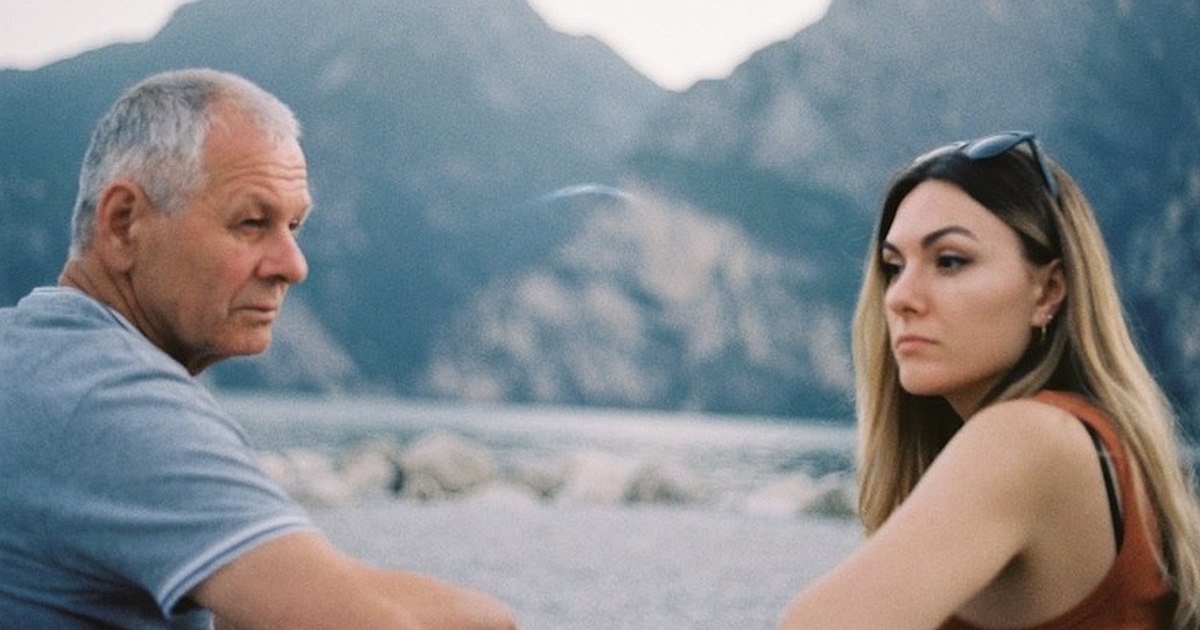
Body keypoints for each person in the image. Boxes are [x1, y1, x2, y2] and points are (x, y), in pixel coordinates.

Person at [0, 68, 516, 629]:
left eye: (294, 226)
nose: (293, 265)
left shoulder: (32, 357)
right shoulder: (114, 400)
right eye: (252, 222)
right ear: (125, 224)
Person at [777, 131, 1200, 629]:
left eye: (950, 261)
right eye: (893, 267)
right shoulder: (1092, 443)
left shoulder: (1031, 437)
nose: (899, 297)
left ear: (1048, 291)